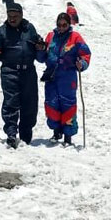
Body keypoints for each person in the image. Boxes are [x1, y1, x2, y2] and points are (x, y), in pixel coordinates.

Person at [0, 4, 44, 148]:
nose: (12, 19)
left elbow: (38, 46)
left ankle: (26, 135)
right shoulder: (2, 31)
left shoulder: (30, 29)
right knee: (11, 102)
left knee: (30, 104)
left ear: (21, 15)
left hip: (28, 71)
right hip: (9, 71)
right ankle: (11, 134)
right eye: (9, 16)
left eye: (15, 17)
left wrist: (41, 46)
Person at [38, 12, 92, 146]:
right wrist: (39, 50)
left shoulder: (75, 37)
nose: (61, 28)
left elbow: (85, 54)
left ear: (69, 24)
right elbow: (42, 57)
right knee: (51, 104)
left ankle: (68, 136)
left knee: (68, 105)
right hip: (51, 76)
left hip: (68, 78)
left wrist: (82, 64)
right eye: (59, 25)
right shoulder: (51, 36)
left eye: (64, 25)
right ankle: (56, 132)